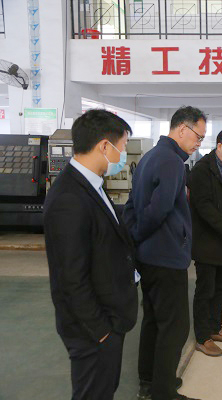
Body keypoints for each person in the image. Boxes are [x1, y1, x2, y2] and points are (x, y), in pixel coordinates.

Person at [44, 109, 138, 400]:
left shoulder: (91, 183)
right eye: (122, 146)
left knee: (104, 389)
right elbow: (71, 277)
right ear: (104, 146)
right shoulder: (69, 197)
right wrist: (100, 330)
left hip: (108, 317)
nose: (123, 155)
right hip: (93, 329)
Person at [123, 106, 205, 400]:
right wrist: (141, 234)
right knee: (175, 326)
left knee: (154, 320)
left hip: (149, 255)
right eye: (198, 136)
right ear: (182, 129)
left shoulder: (150, 157)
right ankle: (163, 391)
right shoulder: (171, 161)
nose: (199, 144)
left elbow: (132, 206)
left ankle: (150, 382)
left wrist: (135, 239)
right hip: (166, 255)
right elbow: (158, 210)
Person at [189, 129, 222, 357]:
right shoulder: (202, 170)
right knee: (206, 289)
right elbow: (203, 206)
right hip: (207, 239)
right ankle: (203, 337)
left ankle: (215, 328)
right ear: (219, 146)